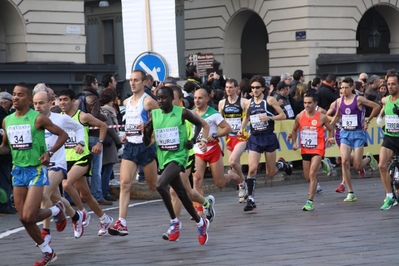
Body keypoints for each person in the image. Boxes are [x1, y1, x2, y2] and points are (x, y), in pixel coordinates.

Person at [0, 82, 68, 265]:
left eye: (20, 95)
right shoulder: (7, 120)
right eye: (14, 94)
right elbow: (6, 148)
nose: (15, 97)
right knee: (23, 218)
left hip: (36, 170)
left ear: (29, 99)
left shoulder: (38, 118)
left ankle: (56, 209)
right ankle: (48, 251)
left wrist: (50, 153)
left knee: (29, 216)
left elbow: (63, 135)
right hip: (17, 170)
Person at [142, 86, 210, 245]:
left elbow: (199, 124)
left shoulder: (182, 112)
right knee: (182, 193)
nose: (160, 101)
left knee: (160, 185)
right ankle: (201, 223)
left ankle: (175, 222)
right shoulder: (155, 115)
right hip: (164, 158)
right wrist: (145, 132)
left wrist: (192, 140)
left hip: (179, 156)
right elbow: (146, 143)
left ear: (172, 98)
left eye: (164, 98)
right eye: (158, 98)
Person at [108, 69, 159, 236]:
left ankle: (178, 188)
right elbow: (129, 122)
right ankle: (121, 222)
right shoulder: (126, 102)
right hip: (130, 146)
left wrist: (149, 125)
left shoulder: (148, 101)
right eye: (131, 80)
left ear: (144, 82)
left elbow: (162, 118)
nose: (132, 83)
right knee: (124, 184)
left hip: (145, 147)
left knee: (154, 186)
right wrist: (126, 133)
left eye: (136, 80)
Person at [59, 89, 114, 237]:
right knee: (86, 195)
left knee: (66, 185)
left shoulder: (82, 116)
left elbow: (103, 126)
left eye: (65, 99)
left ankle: (82, 213)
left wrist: (99, 144)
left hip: (82, 158)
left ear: (73, 101)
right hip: (66, 160)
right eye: (60, 100)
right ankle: (104, 218)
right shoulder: (59, 118)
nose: (62, 103)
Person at [33, 91, 86, 243]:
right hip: (39, 165)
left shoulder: (60, 119)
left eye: (41, 103)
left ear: (51, 103)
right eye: (35, 103)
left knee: (44, 195)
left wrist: (81, 143)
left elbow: (80, 128)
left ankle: (46, 232)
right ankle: (76, 216)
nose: (38, 106)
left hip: (57, 164)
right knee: (56, 197)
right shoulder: (32, 120)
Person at [162, 85, 214, 240]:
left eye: (171, 98)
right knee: (187, 192)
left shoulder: (186, 113)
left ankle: (175, 227)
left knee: (174, 191)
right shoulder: (164, 115)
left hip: (186, 156)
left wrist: (199, 140)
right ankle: (206, 203)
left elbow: (204, 125)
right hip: (170, 157)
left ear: (179, 100)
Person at [238, 75, 292, 212]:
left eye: (257, 87)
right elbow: (246, 117)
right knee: (252, 169)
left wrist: (269, 117)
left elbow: (283, 115)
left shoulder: (270, 99)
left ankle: (282, 164)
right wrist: (242, 128)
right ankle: (251, 199)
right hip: (255, 137)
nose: (255, 90)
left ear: (263, 88)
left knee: (270, 172)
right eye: (252, 88)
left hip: (268, 137)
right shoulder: (248, 103)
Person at [331, 77, 380, 202]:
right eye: (342, 87)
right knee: (344, 161)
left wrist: (367, 121)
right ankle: (350, 192)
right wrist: (328, 128)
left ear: (352, 87)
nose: (344, 90)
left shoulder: (358, 99)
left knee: (357, 165)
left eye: (347, 87)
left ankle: (368, 158)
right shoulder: (339, 101)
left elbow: (376, 106)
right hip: (345, 134)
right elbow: (336, 117)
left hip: (358, 133)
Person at [192, 88, 242, 207]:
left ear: (207, 99)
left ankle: (231, 175)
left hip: (213, 150)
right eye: (195, 98)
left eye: (200, 98)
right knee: (197, 180)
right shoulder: (192, 113)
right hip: (198, 150)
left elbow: (228, 128)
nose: (197, 101)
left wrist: (215, 135)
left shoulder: (213, 113)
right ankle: (199, 209)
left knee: (219, 183)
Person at [289, 90, 335, 211]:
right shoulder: (300, 116)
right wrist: (294, 142)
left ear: (315, 103)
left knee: (312, 173)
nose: (307, 105)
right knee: (307, 176)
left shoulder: (321, 117)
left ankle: (310, 201)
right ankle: (323, 164)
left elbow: (331, 128)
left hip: (318, 148)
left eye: (309, 103)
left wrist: (330, 138)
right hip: (305, 149)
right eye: (305, 103)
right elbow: (294, 130)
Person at [82, 74, 111, 205]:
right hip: (94, 134)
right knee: (96, 168)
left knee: (83, 167)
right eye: (96, 83)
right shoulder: (93, 97)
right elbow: (95, 116)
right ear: (92, 84)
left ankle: (85, 194)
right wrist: (104, 116)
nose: (97, 85)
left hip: (82, 135)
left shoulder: (80, 97)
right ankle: (97, 195)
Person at [218, 78, 248, 203]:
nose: (228, 90)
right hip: (229, 137)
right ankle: (242, 185)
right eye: (227, 87)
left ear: (236, 88)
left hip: (241, 136)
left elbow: (248, 117)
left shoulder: (243, 102)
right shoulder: (222, 103)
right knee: (234, 165)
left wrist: (244, 128)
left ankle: (243, 183)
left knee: (233, 161)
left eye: (231, 87)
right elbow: (219, 119)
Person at [378, 73, 399, 210]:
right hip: (389, 137)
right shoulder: (385, 100)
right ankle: (390, 196)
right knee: (382, 166)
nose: (390, 87)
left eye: (393, 84)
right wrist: (380, 116)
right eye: (389, 84)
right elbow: (384, 108)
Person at [99, 89, 121, 202]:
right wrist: (118, 141)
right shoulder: (107, 111)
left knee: (104, 169)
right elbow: (111, 129)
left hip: (105, 142)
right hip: (109, 143)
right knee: (107, 169)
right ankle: (105, 192)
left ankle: (103, 191)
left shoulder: (101, 110)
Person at [0, 92, 14, 214]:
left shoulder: (5, 115)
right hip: (3, 155)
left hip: (6, 154)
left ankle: (7, 203)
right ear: (4, 103)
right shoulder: (2, 117)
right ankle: (4, 204)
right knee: (5, 179)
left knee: (7, 178)